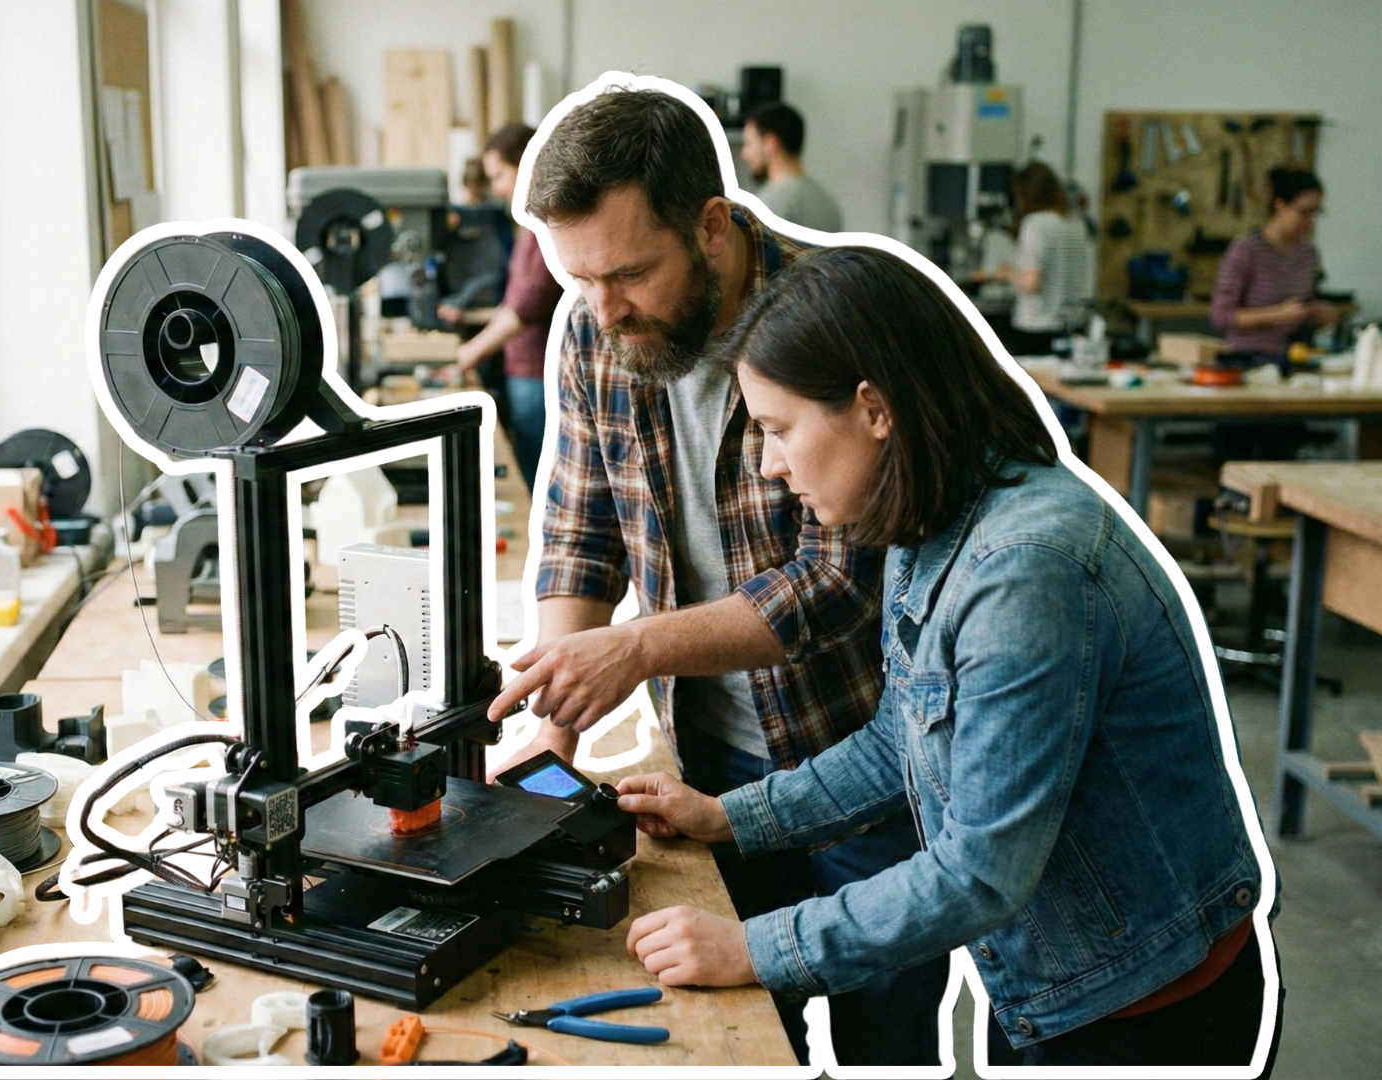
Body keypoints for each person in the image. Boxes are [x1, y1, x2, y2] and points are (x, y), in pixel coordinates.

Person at [617, 244, 1282, 1073]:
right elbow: (901, 737)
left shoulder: (1027, 570)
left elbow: (979, 873)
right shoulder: (930, 514)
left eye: (780, 429)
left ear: (874, 408)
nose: (770, 465)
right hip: (1058, 982)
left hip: (1140, 1007)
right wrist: (728, 817)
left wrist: (753, 949)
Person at [484, 85, 946, 1066]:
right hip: (714, 772)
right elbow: (581, 532)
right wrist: (550, 737)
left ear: (711, 225)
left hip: (869, 765)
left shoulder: (833, 317)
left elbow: (840, 579)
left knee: (882, 1044)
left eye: (629, 275)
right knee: (736, 1038)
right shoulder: (594, 329)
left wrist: (639, 645)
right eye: (581, 284)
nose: (606, 310)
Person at [443, 123, 564, 487]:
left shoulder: (549, 223)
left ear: (527, 163)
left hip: (538, 373)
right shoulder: (531, 225)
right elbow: (512, 300)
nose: (496, 187)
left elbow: (524, 307)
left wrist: (469, 353)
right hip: (523, 370)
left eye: (499, 175)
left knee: (536, 482)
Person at [1211, 168, 1339, 358]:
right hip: (1247, 358)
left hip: (1295, 356)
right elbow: (1221, 317)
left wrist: (1317, 314)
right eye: (1304, 212)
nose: (1311, 221)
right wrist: (1278, 315)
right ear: (1280, 206)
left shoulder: (1308, 254)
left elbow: (1303, 304)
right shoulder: (1246, 251)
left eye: (1316, 212)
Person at [995, 160, 1094, 356]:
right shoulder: (1077, 224)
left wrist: (1007, 273)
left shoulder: (1035, 224)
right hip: (1073, 327)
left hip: (1036, 329)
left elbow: (1032, 282)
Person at [740, 102, 842, 233]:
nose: (744, 155)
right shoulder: (828, 204)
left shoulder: (766, 207)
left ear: (771, 144)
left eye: (749, 144)